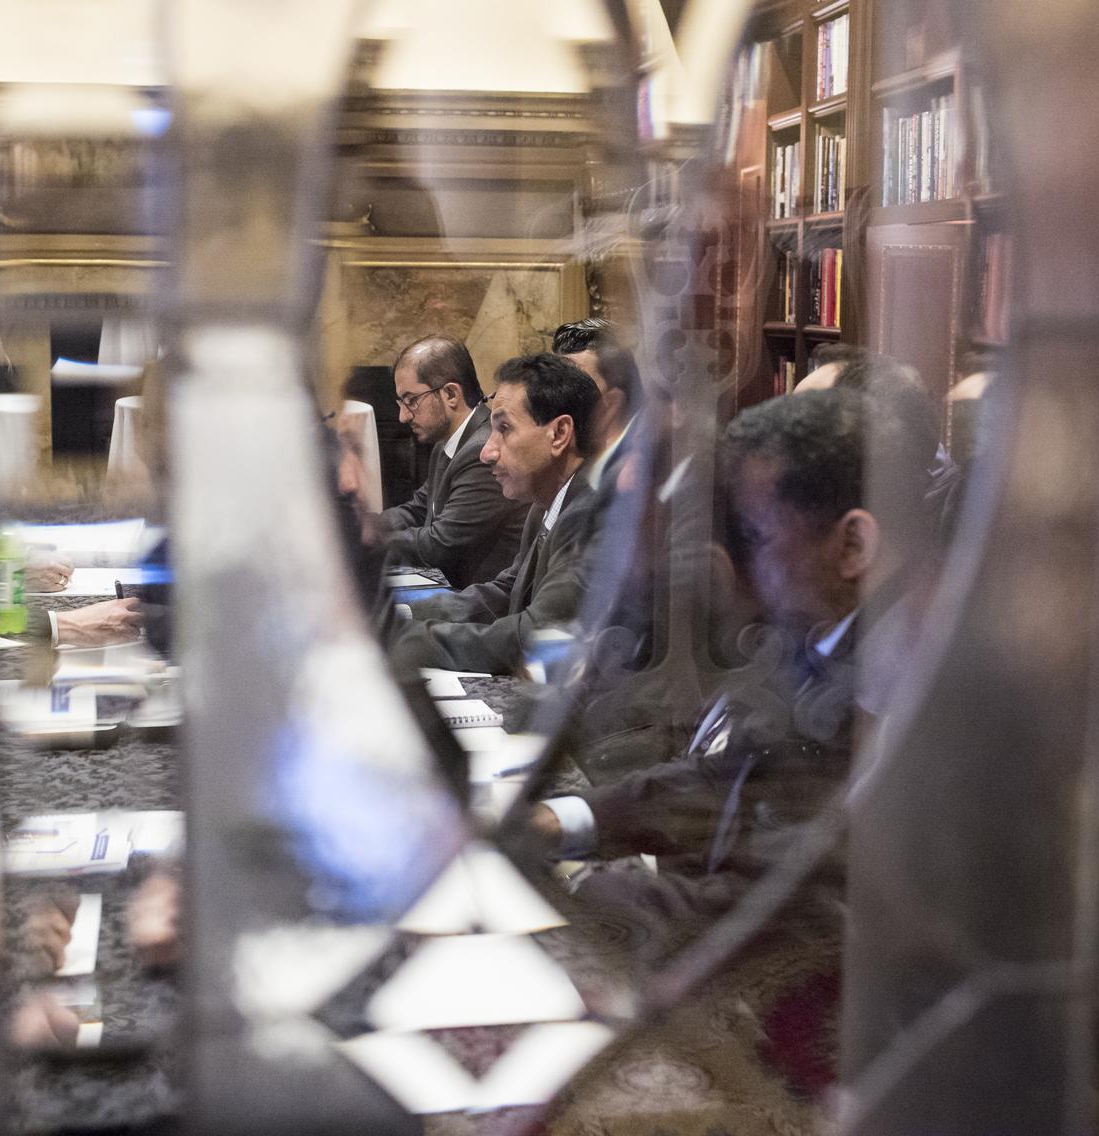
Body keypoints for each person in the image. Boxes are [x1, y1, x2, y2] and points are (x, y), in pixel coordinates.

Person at [526, 387, 937, 1118]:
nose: (733, 562)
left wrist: (572, 897)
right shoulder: (828, 620)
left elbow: (795, 900)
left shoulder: (916, 679)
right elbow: (717, 772)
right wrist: (562, 822)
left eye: (753, 533)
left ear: (853, 545)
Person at [391, 353, 599, 675]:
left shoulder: (589, 516)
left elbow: (533, 637)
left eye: (504, 429)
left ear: (559, 434)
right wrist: (402, 614)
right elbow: (502, 595)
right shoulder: (545, 504)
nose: (487, 452)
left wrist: (407, 642)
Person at [372, 336, 528, 588]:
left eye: (412, 400)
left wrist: (367, 540)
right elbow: (418, 509)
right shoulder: (445, 444)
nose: (403, 416)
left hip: (481, 605)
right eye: (401, 403)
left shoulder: (483, 450)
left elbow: (441, 544)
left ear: (451, 394)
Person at [552, 319, 642, 491]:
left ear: (611, 403)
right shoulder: (567, 464)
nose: (556, 396)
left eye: (571, 384)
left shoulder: (632, 478)